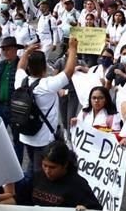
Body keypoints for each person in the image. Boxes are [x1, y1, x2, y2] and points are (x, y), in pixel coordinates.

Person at [12, 38, 79, 175]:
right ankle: (32, 192)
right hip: (43, 138)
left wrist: (27, 52)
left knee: (32, 165)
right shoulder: (47, 85)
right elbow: (69, 71)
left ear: (29, 68)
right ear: (44, 68)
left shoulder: (21, 81)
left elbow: (20, 67)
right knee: (40, 171)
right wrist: (73, 49)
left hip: (25, 132)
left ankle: (29, 188)